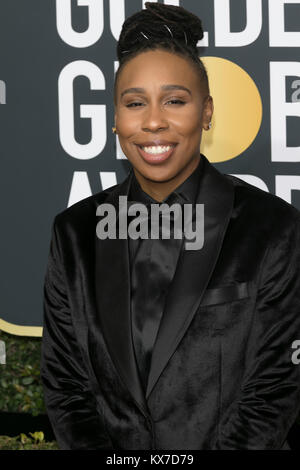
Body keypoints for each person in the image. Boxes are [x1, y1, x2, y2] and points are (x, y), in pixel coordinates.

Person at [41, 2, 300, 450]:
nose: (154, 121)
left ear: (207, 112)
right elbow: (66, 389)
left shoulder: (272, 228)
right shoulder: (74, 234)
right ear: (116, 117)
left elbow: (273, 393)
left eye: (175, 101)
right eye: (135, 102)